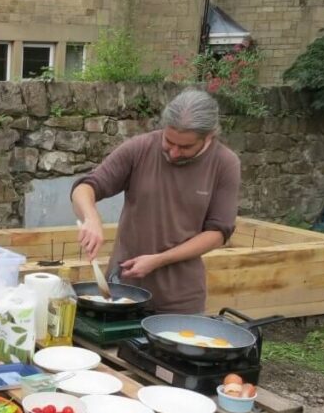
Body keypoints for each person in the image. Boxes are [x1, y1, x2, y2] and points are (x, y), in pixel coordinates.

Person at [71, 89, 241, 314]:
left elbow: (218, 232)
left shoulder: (225, 163)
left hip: (181, 299)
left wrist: (159, 260)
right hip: (123, 291)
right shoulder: (140, 148)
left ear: (209, 136)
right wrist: (91, 218)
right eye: (169, 141)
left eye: (186, 147)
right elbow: (85, 187)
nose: (174, 152)